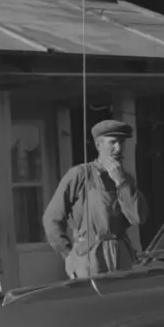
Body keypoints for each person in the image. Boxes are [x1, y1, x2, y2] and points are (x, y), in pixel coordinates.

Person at [42, 119, 148, 279]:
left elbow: (138, 218)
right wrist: (69, 255)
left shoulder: (126, 180)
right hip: (91, 254)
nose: (118, 148)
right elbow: (51, 219)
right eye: (112, 142)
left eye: (121, 142)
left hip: (122, 254)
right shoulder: (80, 175)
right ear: (99, 145)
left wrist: (121, 183)